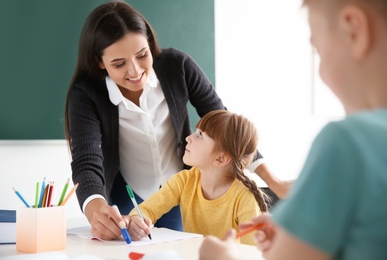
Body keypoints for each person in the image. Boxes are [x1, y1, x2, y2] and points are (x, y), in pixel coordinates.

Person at [64, 0, 289, 241]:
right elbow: (87, 162)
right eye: (119, 64)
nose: (135, 71)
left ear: (150, 44)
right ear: (100, 62)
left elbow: (228, 129)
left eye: (142, 55)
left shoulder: (177, 66)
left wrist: (273, 181)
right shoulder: (86, 95)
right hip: (126, 194)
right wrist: (95, 210)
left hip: (181, 190)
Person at [199, 0, 387, 259]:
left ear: (354, 30)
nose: (321, 71)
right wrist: (303, 235)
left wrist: (222, 257)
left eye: (318, 50)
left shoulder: (347, 142)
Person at [127, 110, 268, 245]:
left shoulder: (244, 198)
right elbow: (148, 209)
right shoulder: (184, 181)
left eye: (200, 135)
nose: (188, 138)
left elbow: (253, 253)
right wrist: (138, 219)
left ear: (220, 159)